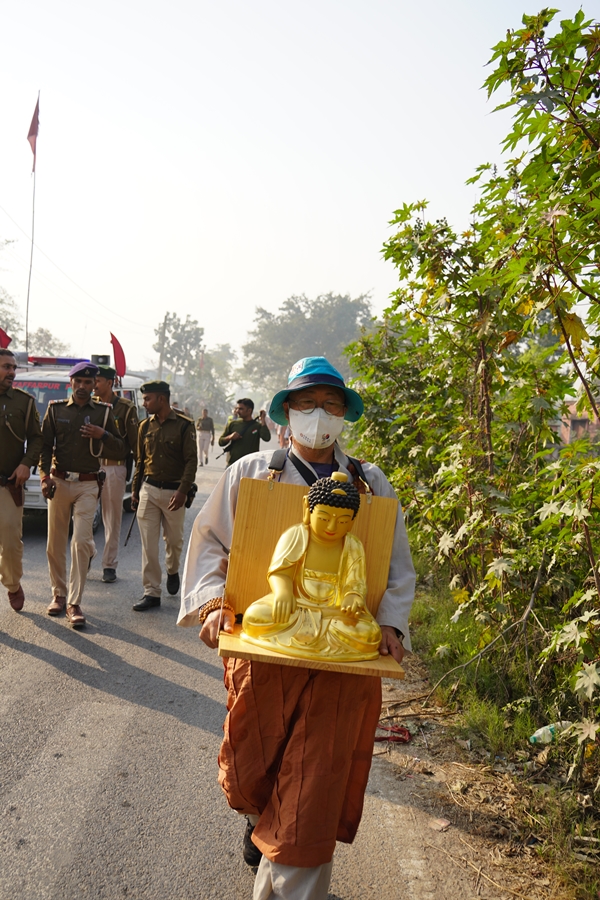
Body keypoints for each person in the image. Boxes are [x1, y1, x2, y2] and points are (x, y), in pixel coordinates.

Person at [178, 357, 415, 900]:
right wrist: (215, 604)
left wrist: (389, 626)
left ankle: (290, 867)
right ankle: (262, 816)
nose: (319, 416)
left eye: (331, 405)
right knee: (254, 763)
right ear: (286, 411)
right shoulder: (252, 473)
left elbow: (395, 567)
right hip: (266, 646)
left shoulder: (370, 483)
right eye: (307, 404)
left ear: (344, 416)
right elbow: (211, 543)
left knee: (315, 778)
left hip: (342, 655)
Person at [40, 361, 126, 628]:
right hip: (59, 481)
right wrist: (44, 476)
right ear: (71, 383)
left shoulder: (103, 412)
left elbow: (121, 449)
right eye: (78, 382)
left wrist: (103, 435)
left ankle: (74, 603)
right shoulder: (55, 411)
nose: (82, 387)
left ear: (94, 386)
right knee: (54, 542)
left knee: (80, 541)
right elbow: (43, 446)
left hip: (88, 485)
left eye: (88, 383)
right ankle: (59, 594)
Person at [131, 381, 197, 611]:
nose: (144, 403)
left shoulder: (184, 426)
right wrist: (135, 491)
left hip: (174, 492)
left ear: (161, 399)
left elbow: (191, 461)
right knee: (148, 544)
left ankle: (173, 569)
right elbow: (140, 461)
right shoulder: (144, 426)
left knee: (174, 542)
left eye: (147, 399)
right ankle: (151, 592)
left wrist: (183, 491)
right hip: (148, 490)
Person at [0, 348, 43, 612]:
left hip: (8, 484)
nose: (12, 372)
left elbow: (37, 438)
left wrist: (27, 464)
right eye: (6, 367)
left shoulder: (23, 402)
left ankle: (13, 583)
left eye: (13, 367)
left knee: (11, 544)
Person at [94, 364, 139, 583]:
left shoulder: (125, 408)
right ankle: (86, 555)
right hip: (89, 467)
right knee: (83, 516)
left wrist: (140, 478)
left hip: (114, 466)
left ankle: (109, 565)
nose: (93, 385)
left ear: (110, 383)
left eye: (97, 380)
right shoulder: (88, 405)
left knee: (112, 518)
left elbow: (135, 444)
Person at [218, 398, 271, 466]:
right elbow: (220, 442)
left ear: (249, 410)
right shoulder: (233, 424)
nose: (237, 411)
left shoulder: (257, 426)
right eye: (237, 408)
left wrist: (263, 420)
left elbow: (266, 438)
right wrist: (230, 437)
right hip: (233, 464)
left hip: (250, 465)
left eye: (241, 409)